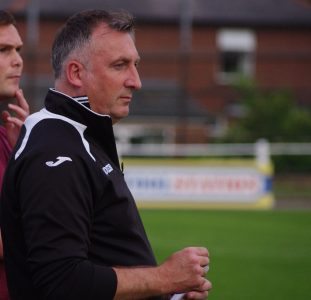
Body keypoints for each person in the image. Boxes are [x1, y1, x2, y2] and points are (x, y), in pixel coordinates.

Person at [0, 9, 211, 300]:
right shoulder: (56, 152)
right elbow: (62, 280)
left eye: (135, 65)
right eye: (120, 65)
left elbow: (104, 254)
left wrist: (170, 294)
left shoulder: (79, 136)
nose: (135, 81)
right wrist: (165, 278)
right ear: (76, 73)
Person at [0, 10, 30, 300]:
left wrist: (27, 154)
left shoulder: (11, 134)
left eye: (18, 49)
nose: (18, 59)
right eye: (3, 50)